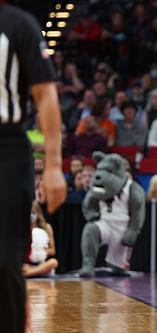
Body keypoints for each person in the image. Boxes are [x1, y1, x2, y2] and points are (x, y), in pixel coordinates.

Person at [0, 3, 67, 333]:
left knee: (6, 261)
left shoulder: (19, 24)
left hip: (7, 146)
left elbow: (47, 97)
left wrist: (53, 165)